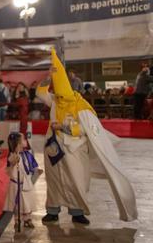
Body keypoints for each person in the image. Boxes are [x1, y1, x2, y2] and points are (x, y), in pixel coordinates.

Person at [39, 49, 137, 225]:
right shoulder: (56, 100)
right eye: (57, 96)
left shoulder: (81, 106)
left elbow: (87, 129)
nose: (59, 99)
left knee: (77, 181)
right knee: (54, 182)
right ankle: (52, 211)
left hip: (74, 150)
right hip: (54, 149)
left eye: (62, 96)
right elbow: (40, 93)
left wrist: (64, 127)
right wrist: (48, 78)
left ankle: (77, 212)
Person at [4, 132, 41, 230]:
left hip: (26, 183)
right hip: (16, 184)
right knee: (17, 205)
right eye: (23, 139)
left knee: (27, 202)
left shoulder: (27, 154)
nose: (26, 141)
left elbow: (33, 165)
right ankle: (17, 220)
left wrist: (35, 170)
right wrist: (12, 164)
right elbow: (9, 170)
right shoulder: (12, 156)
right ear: (18, 143)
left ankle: (27, 219)